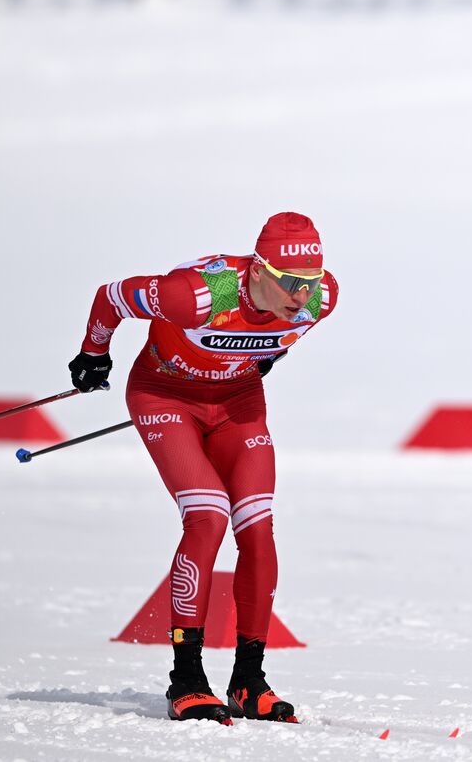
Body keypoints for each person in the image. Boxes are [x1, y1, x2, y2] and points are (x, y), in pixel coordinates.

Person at [67, 212, 338, 725]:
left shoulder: (322, 300)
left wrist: (262, 359)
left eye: (311, 283)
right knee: (209, 515)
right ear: (257, 271)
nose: (302, 296)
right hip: (164, 393)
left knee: (257, 527)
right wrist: (93, 352)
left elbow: (275, 339)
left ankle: (248, 680)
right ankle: (186, 680)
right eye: (290, 283)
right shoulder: (198, 294)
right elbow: (111, 296)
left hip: (237, 403)